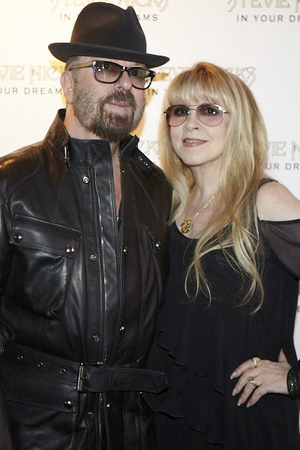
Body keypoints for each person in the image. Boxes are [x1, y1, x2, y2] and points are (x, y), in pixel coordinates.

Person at [0, 3, 172, 449]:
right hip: (30, 432)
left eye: (137, 73)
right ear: (66, 82)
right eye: (105, 67)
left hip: (132, 431)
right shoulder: (11, 182)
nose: (125, 84)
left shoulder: (159, 190)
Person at [145, 61, 300, 449]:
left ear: (240, 122)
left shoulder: (266, 200)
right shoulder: (166, 203)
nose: (190, 123)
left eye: (209, 111)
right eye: (180, 111)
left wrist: (294, 380)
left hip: (244, 423)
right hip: (167, 420)